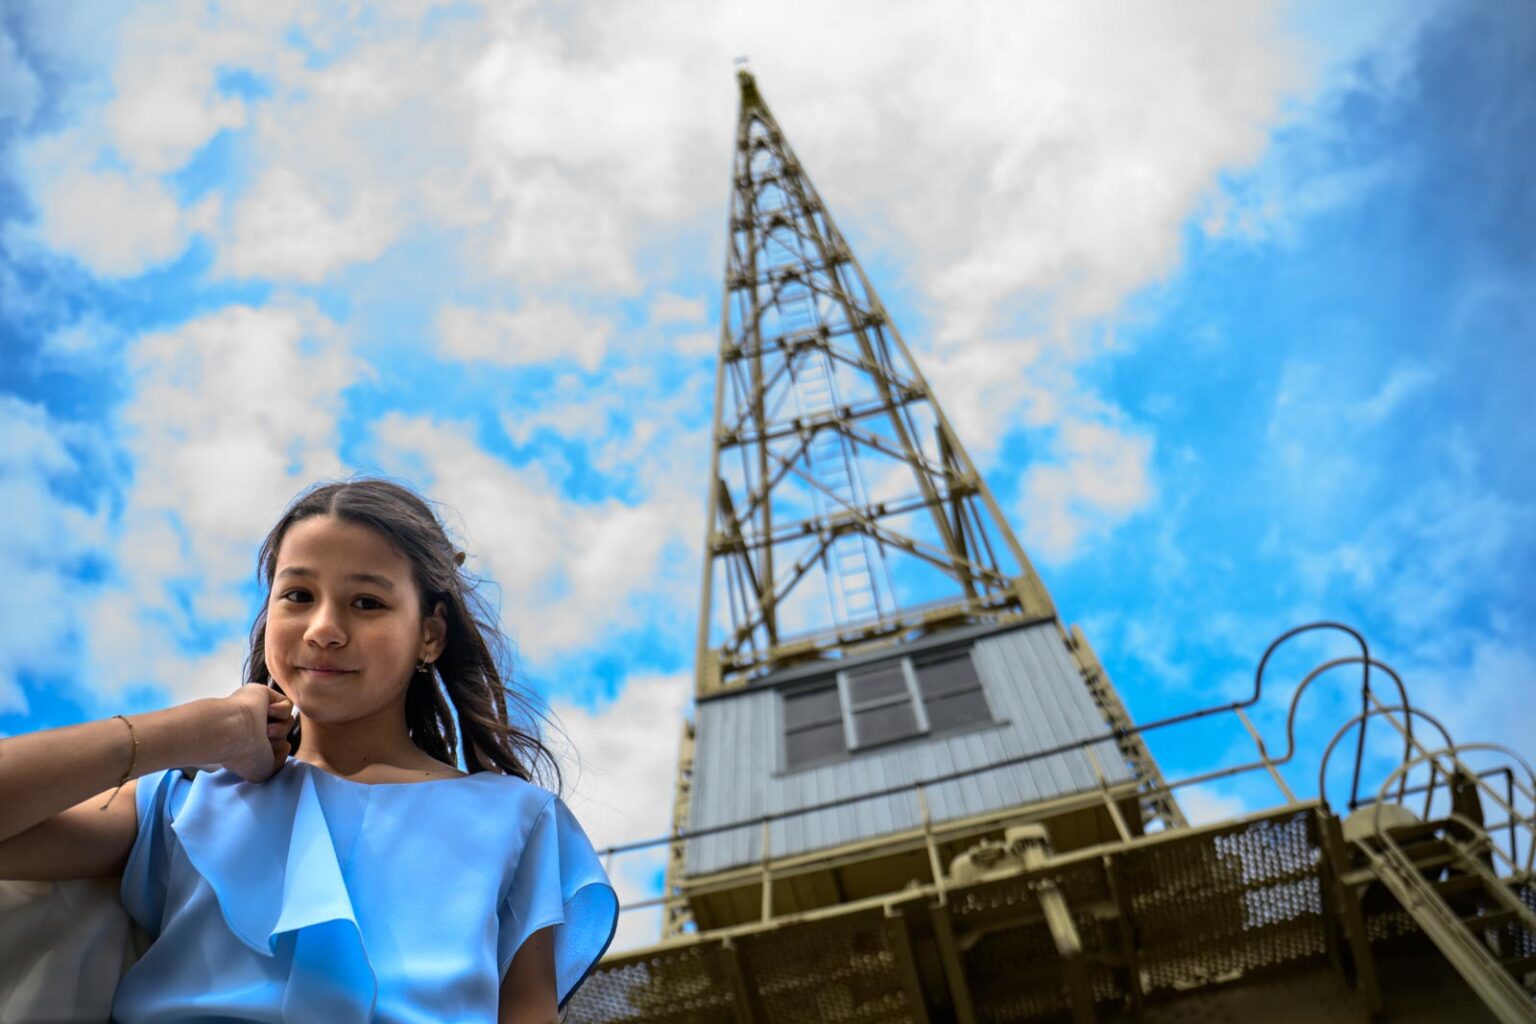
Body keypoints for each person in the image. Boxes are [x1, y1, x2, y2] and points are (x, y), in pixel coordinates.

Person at [0, 478, 618, 1023]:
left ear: (429, 634)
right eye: (297, 595)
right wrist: (193, 731)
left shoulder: (519, 819)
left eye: (367, 602)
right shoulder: (184, 802)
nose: (324, 628)